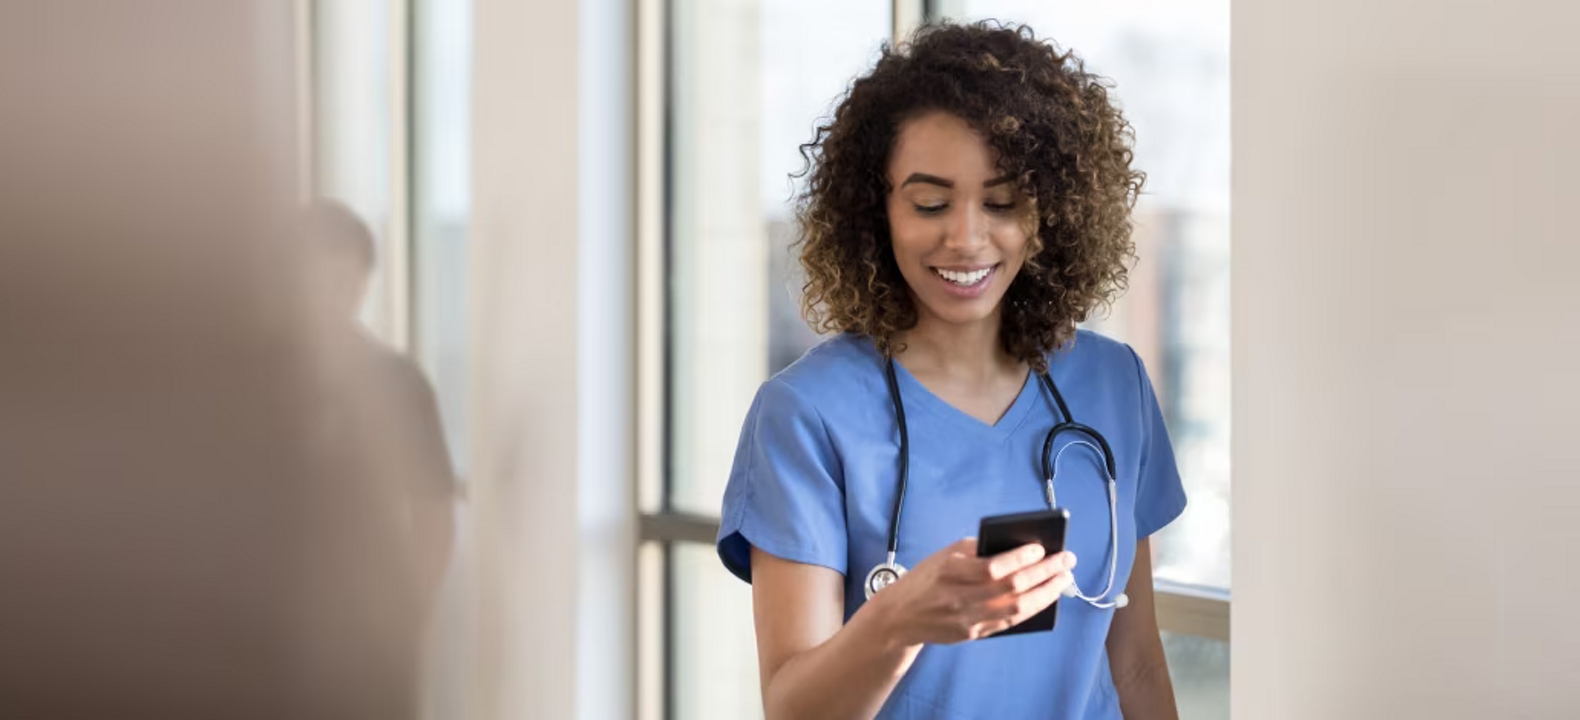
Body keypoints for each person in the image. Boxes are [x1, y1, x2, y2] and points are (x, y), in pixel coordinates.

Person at [715, 22, 1187, 719]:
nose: (965, 237)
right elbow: (793, 709)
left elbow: (1138, 662)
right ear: (876, 211)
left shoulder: (1112, 385)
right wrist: (898, 620)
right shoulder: (807, 415)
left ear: (1048, 212)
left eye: (1001, 203)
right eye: (930, 203)